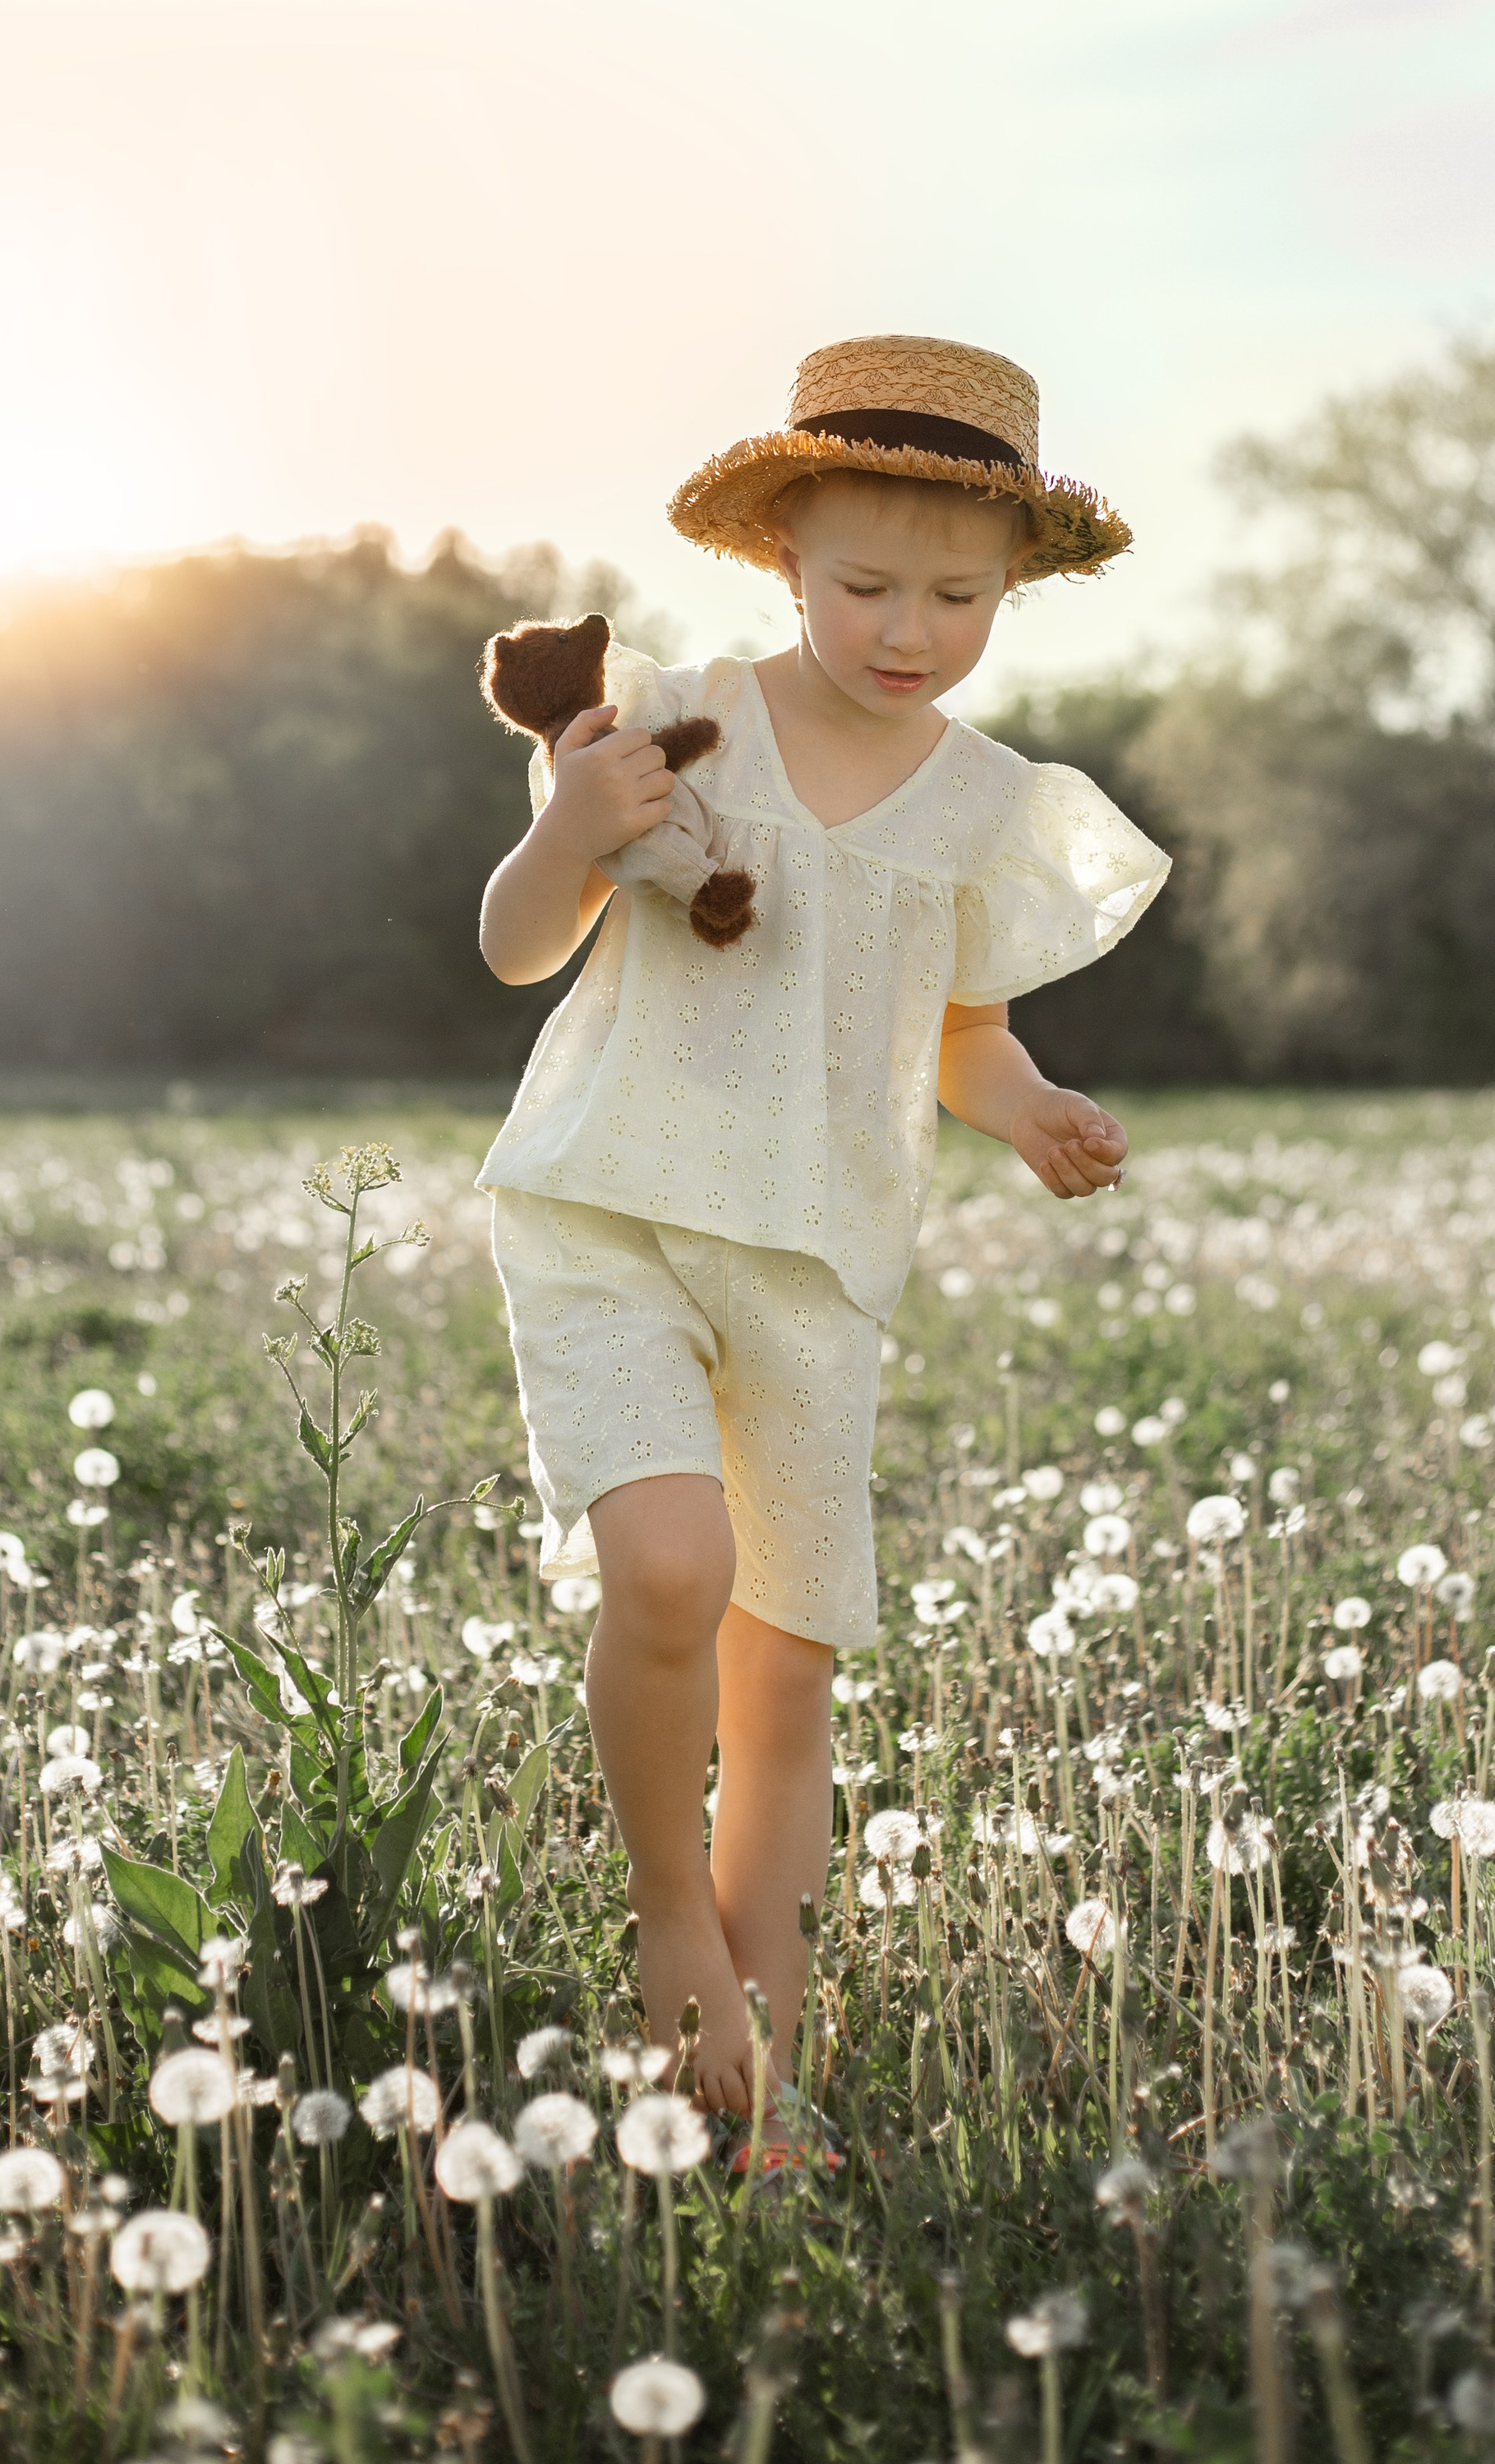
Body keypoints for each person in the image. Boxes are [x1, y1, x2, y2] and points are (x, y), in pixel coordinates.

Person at [476, 334, 1166, 2127]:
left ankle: (750, 2079)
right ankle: (662, 1923)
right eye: (864, 583)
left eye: (957, 592)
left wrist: (1026, 1111)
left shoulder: (988, 807)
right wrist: (565, 827)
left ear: (1014, 583)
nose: (906, 628)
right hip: (609, 1205)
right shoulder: (673, 718)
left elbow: (959, 1030)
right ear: (782, 552)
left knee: (782, 1662)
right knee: (667, 1574)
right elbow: (513, 945)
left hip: (817, 1260)